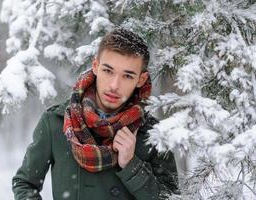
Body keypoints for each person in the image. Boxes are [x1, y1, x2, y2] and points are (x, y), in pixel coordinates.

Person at [12, 28, 178, 200]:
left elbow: (171, 198)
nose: (114, 85)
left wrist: (131, 165)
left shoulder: (154, 135)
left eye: (127, 76)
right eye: (108, 71)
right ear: (96, 66)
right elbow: (25, 184)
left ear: (141, 80)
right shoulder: (55, 123)